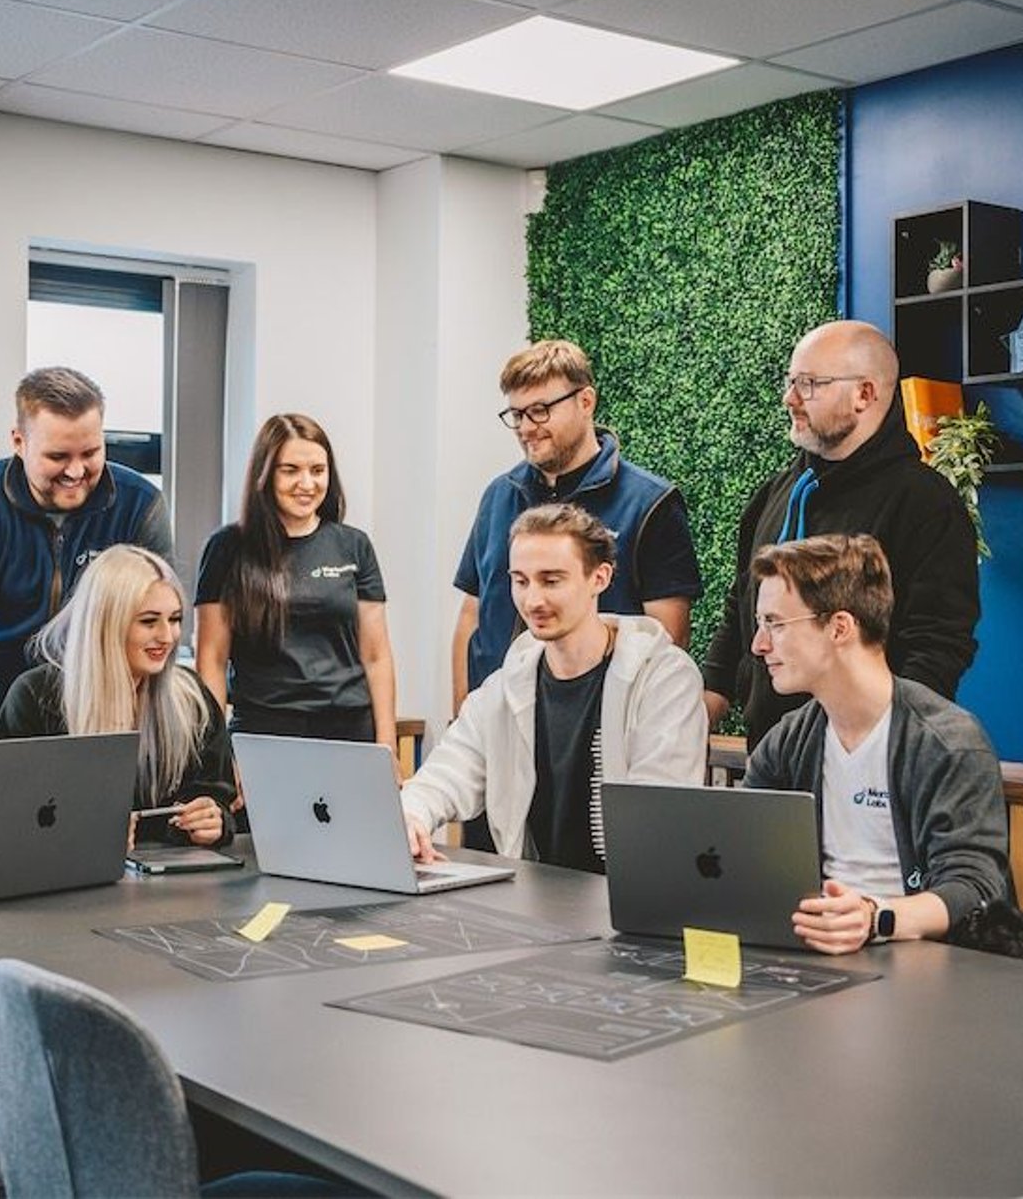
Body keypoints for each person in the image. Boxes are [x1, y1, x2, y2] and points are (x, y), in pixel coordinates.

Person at [702, 320, 980, 749]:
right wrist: (707, 702)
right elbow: (741, 605)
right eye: (791, 381)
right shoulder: (773, 494)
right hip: (769, 750)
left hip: (864, 759)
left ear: (864, 394)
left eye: (810, 384)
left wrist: (878, 741)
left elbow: (938, 643)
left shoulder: (926, 502)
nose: (789, 398)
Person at [0, 366, 171, 842]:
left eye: (91, 453)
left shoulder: (140, 505)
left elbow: (152, 628)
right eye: (58, 455)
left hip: (87, 724)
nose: (77, 471)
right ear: (19, 441)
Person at [741, 533, 1010, 955]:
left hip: (925, 967)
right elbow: (742, 852)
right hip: (812, 957)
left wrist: (873, 917)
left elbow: (974, 887)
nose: (759, 645)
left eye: (774, 623)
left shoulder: (948, 743)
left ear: (839, 627)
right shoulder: (789, 741)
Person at [403, 503, 707, 873]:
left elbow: (657, 815)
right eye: (520, 580)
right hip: (531, 898)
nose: (533, 600)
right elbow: (446, 774)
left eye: (551, 580)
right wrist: (413, 815)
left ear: (600, 577)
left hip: (625, 902)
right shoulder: (504, 687)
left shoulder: (663, 679)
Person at [453, 338, 701, 707]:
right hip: (500, 718)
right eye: (517, 415)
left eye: (539, 410)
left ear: (586, 402)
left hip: (602, 724)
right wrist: (462, 714)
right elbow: (472, 615)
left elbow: (668, 636)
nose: (526, 428)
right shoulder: (497, 496)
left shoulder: (650, 503)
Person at [0, 545, 236, 849]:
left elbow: (217, 797)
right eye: (149, 621)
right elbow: (7, 819)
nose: (167, 636)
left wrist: (213, 821)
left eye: (174, 619)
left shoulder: (191, 699)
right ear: (107, 623)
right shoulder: (35, 697)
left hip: (171, 883)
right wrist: (80, 836)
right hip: (65, 882)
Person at [194, 413, 398, 761]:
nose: (307, 483)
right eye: (290, 470)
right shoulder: (227, 548)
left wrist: (387, 745)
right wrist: (220, 757)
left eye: (318, 470)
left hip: (349, 732)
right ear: (266, 474)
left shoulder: (354, 545)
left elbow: (376, 657)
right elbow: (211, 659)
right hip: (262, 733)